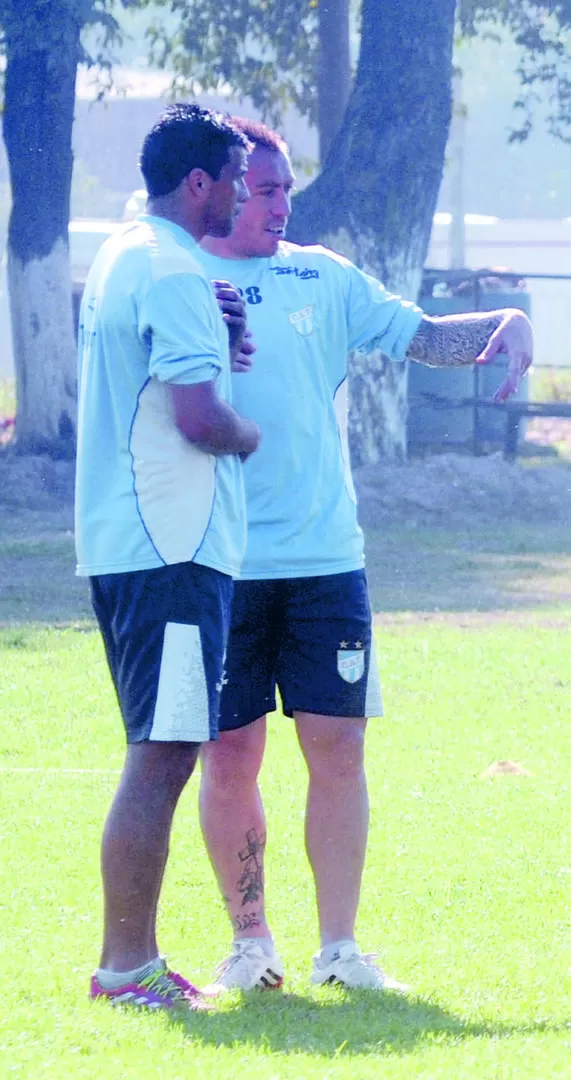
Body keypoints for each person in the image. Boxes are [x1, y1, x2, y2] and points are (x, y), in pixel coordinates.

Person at [194, 118, 533, 994]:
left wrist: (503, 320)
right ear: (221, 189)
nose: (279, 205)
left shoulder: (322, 274)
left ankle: (339, 950)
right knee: (228, 755)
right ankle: (250, 945)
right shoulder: (176, 275)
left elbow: (424, 337)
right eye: (263, 190)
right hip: (217, 561)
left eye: (285, 190)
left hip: (324, 558)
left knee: (339, 748)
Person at [74, 103, 261, 1012]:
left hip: (126, 543)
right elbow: (198, 419)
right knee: (162, 755)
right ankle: (126, 969)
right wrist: (251, 435)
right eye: (235, 177)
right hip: (173, 547)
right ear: (199, 183)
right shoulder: (176, 268)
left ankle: (133, 960)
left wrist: (215, 336)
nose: (243, 194)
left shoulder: (124, 254)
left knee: (159, 749)